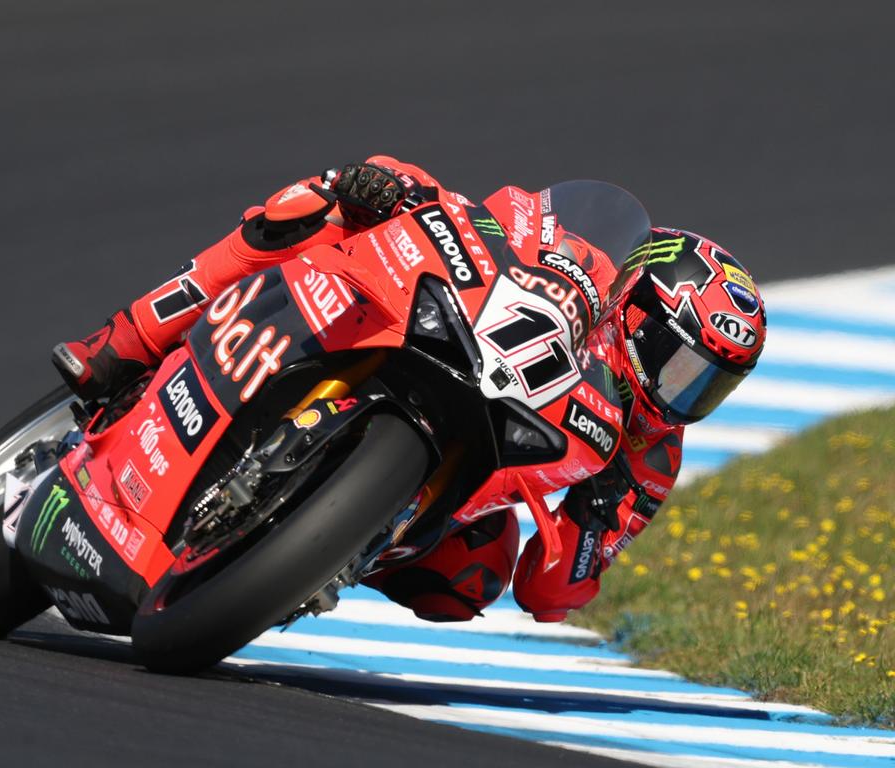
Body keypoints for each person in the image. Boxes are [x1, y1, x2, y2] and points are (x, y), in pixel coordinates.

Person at [53, 157, 766, 623]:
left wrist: (596, 518)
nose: (686, 393)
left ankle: (325, 547)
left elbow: (548, 593)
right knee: (322, 204)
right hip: (443, 329)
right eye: (681, 363)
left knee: (470, 579)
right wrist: (401, 191)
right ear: (636, 308)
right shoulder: (584, 262)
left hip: (470, 468)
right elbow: (504, 219)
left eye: (710, 385)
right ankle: (127, 339)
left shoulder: (652, 457)